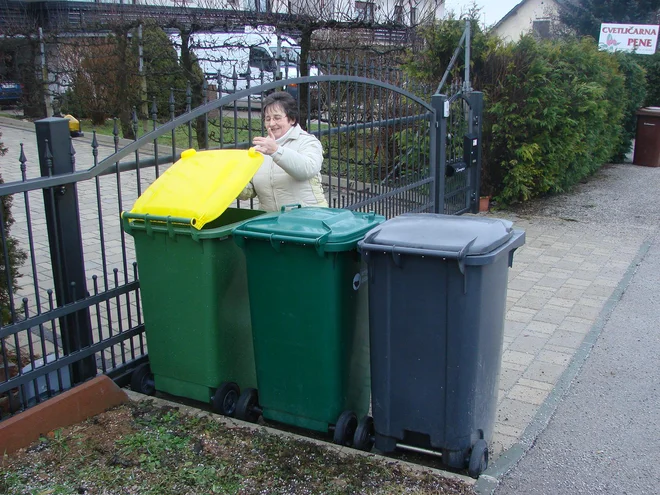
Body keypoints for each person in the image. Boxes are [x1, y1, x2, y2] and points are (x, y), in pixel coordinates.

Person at [239, 91, 328, 211]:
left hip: (308, 222)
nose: (271, 123)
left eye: (277, 118)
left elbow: (307, 169)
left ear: (291, 119)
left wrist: (276, 151)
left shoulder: (308, 142)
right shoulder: (260, 150)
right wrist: (229, 182)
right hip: (272, 223)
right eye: (267, 119)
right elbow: (250, 191)